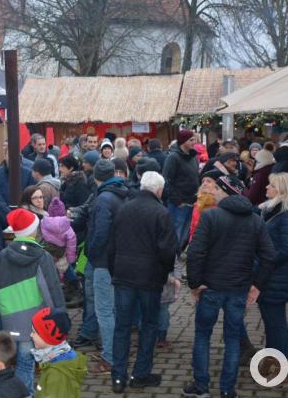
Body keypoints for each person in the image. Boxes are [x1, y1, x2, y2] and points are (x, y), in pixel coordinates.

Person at [183, 176, 275, 398]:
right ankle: (227, 390)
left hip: (211, 288)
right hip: (238, 288)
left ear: (226, 191)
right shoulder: (255, 220)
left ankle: (201, 387)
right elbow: (269, 256)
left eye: (216, 188)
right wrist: (256, 286)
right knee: (232, 339)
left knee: (203, 335)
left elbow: (195, 252)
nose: (212, 192)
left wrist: (195, 284)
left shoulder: (212, 216)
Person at [107, 172, 178, 392]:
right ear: (158, 190)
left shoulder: (123, 208)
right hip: (150, 278)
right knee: (149, 326)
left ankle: (118, 376)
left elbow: (111, 245)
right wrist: (166, 273)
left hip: (124, 276)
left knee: (122, 326)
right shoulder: (161, 212)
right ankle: (140, 373)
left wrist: (115, 270)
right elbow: (168, 250)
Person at [245, 173, 288, 378]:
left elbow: (287, 249)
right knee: (271, 320)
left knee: (276, 322)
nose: (266, 188)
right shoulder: (272, 210)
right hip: (269, 273)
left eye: (271, 185)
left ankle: (279, 366)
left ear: (281, 189)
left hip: (276, 275)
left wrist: (263, 262)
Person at [0, 208, 66, 394]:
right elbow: (51, 290)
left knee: (12, 364)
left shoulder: (3, 256)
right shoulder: (41, 257)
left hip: (8, 321)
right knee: (26, 365)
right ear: (33, 230)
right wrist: (59, 316)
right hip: (31, 323)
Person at [81, 159, 129, 375]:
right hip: (119, 259)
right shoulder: (123, 193)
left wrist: (90, 252)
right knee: (115, 309)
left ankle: (110, 358)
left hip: (103, 262)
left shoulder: (103, 199)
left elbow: (100, 232)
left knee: (104, 311)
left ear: (96, 177)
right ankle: (116, 352)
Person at [29, 307, 87, 398]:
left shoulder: (56, 374)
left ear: (47, 337)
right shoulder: (55, 357)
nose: (31, 335)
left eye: (34, 332)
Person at [161, 129, 200, 248]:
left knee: (185, 233)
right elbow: (166, 181)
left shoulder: (193, 157)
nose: (194, 142)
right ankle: (172, 259)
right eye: (191, 140)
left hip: (191, 201)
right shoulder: (173, 157)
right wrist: (177, 201)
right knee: (175, 232)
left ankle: (178, 254)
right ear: (183, 141)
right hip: (178, 204)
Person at [40, 197, 77, 279]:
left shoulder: (43, 223)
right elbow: (71, 246)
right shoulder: (67, 226)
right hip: (61, 254)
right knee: (66, 269)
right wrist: (71, 259)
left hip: (48, 252)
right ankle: (74, 283)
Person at [0, 140, 36, 205]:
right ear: (5, 156)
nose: (12, 157)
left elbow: (32, 194)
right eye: (9, 155)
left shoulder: (28, 174)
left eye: (15, 155)